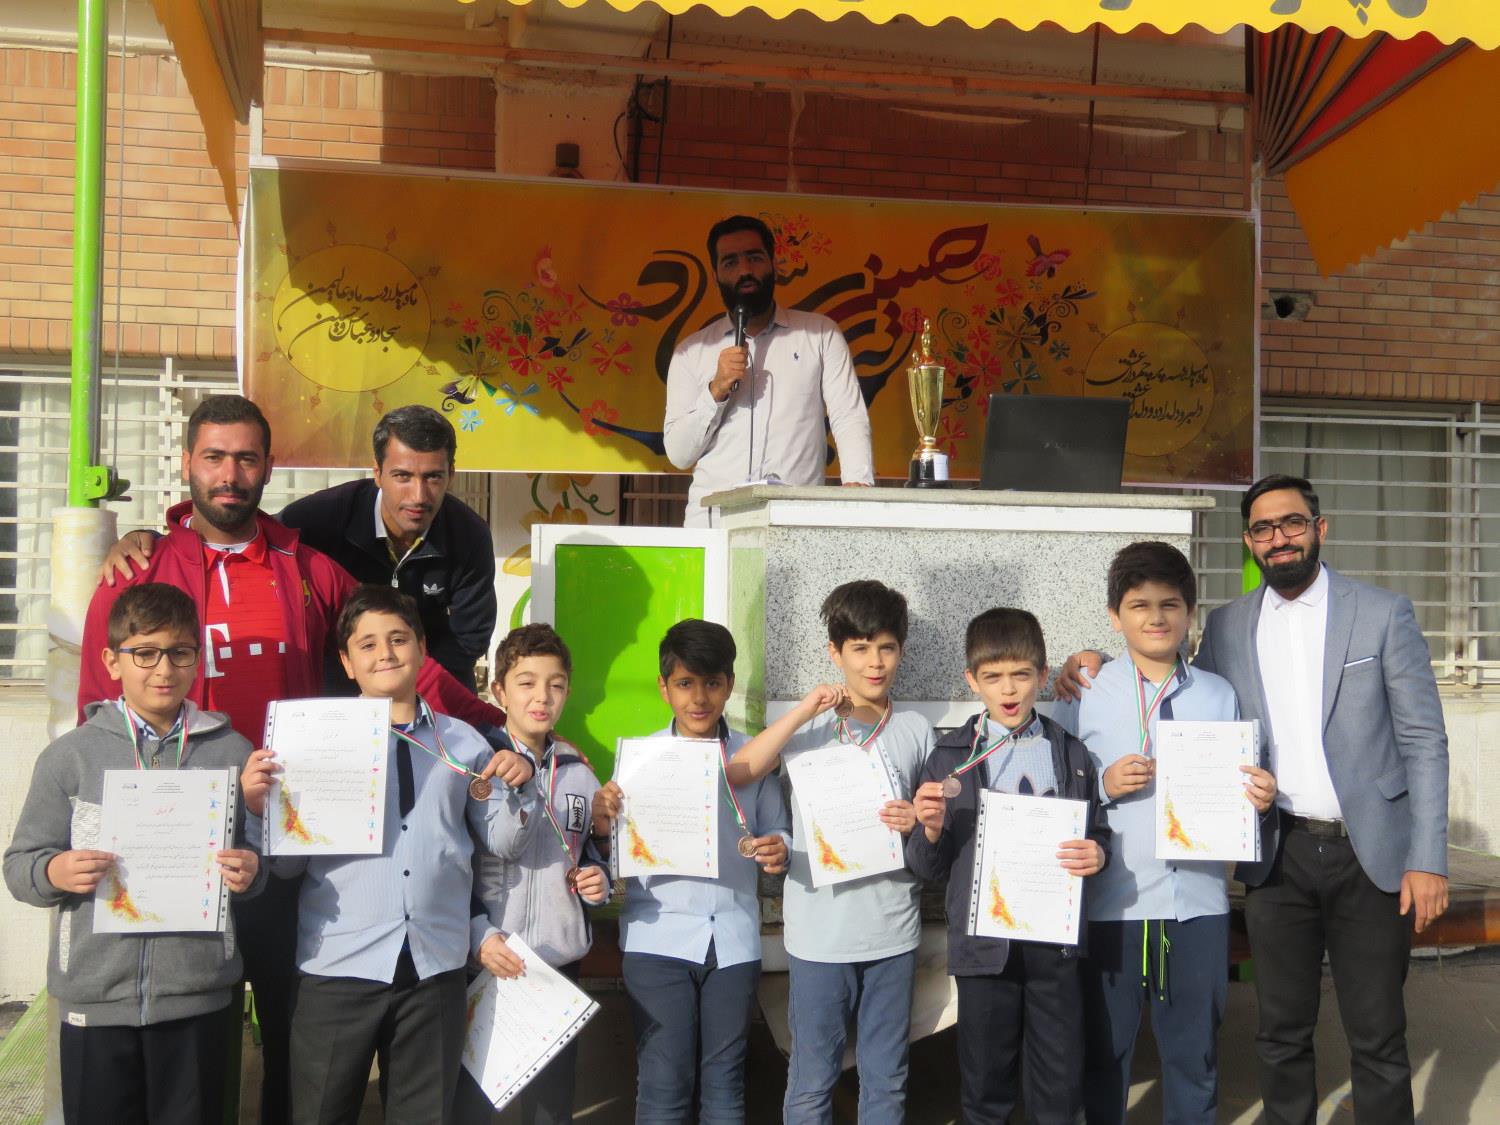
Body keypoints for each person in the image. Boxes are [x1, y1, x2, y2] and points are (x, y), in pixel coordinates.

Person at [75, 393, 506, 1124]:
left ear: (269, 466)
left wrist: (506, 731)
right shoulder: (138, 576)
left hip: (287, 834)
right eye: (214, 457)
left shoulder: (308, 567)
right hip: (179, 836)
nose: (230, 474)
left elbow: (395, 657)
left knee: (290, 1032)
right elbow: (97, 710)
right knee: (189, 1037)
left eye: (246, 458)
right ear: (186, 462)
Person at [1055, 475, 1449, 1125]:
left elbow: (1424, 740)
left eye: (1292, 522)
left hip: (1369, 850)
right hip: (1278, 851)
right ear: (1249, 542)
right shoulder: (1228, 625)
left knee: (1377, 1032)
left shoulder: (1383, 612)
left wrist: (1428, 857)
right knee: (1280, 1029)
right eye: (1264, 528)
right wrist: (1088, 659)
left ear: (1320, 528)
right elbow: (1166, 679)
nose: (1279, 537)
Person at [240, 586, 537, 1125]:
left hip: (434, 965)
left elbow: (502, 841)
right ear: (346, 662)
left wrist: (521, 786)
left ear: (422, 648)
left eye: (398, 639)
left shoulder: (465, 743)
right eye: (368, 644)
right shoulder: (311, 743)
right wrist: (263, 810)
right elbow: (285, 866)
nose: (385, 653)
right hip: (337, 965)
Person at [5, 583, 264, 1125]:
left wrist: (252, 869)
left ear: (197, 659)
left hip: (198, 996)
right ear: (111, 661)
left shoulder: (231, 751)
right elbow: (20, 865)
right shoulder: (71, 757)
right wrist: (55, 870)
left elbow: (260, 856)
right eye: (144, 653)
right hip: (96, 999)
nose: (163, 669)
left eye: (179, 652)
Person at [1049, 543, 1277, 1125]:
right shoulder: (1083, 692)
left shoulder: (1218, 693)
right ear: (1114, 616)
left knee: (1195, 1058)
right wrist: (1103, 785)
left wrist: (1256, 800)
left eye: (1170, 605)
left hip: (1197, 904)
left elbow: (1236, 787)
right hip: (1114, 904)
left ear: (1190, 612)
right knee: (1105, 1058)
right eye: (1139, 605)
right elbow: (1055, 794)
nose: (1156, 618)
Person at [99, 404, 497, 690]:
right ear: (376, 472)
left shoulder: (469, 535)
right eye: (402, 476)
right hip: (338, 698)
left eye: (433, 478)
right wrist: (154, 540)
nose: (419, 494)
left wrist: (409, 691)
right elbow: (233, 526)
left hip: (430, 691)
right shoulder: (315, 523)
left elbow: (468, 641)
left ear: (451, 475)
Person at [727, 580, 932, 1125]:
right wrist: (804, 710)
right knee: (812, 1076)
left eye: (886, 647)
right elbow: (740, 771)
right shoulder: (809, 728)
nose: (875, 662)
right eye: (859, 648)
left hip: (893, 931)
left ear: (901, 651)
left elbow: (937, 822)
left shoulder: (915, 731)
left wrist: (917, 819)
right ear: (835, 653)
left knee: (886, 1078)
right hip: (820, 935)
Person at [905, 607, 1107, 1125]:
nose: (1009, 689)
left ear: (1043, 675)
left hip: (1055, 946)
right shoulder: (950, 757)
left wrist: (1099, 853)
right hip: (984, 949)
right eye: (993, 677)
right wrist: (930, 829)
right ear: (972, 680)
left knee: (1058, 1089)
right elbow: (926, 866)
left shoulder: (1071, 753)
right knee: (985, 1089)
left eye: (1021, 674)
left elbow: (1097, 831)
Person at [592, 619, 791, 1124]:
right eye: (685, 683)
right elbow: (612, 851)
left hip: (734, 941)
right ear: (664, 688)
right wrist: (604, 820)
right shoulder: (638, 761)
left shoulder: (754, 756)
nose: (699, 698)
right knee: (664, 1084)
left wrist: (779, 849)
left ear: (729, 685)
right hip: (657, 938)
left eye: (712, 683)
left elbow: (779, 830)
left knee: (726, 1083)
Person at [458, 624, 611, 1125]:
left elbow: (589, 853)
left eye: (556, 684)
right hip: (488, 958)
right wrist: (477, 934)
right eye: (526, 682)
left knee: (550, 1107)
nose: (542, 696)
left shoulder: (580, 771)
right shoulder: (475, 765)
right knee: (472, 1104)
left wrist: (598, 879)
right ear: (499, 691)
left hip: (556, 965)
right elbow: (449, 864)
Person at [663, 214, 875, 527]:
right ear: (715, 275)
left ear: (773, 264)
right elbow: (679, 454)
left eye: (754, 258)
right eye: (731, 262)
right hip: (714, 525)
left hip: (795, 522)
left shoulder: (819, 334)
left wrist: (858, 487)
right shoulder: (690, 352)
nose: (745, 271)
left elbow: (847, 415)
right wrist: (716, 390)